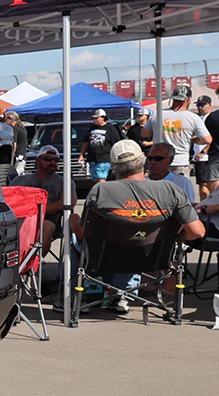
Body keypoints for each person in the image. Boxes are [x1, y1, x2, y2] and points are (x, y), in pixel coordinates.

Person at [74, 138, 204, 313]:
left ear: (113, 165)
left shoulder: (101, 191)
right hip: (152, 258)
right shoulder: (170, 190)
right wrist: (179, 237)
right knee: (137, 237)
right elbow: (197, 232)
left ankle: (74, 295)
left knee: (73, 225)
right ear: (143, 160)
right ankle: (123, 295)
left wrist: (73, 223)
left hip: (106, 257)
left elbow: (83, 234)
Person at [11, 144, 67, 248]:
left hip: (47, 219)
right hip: (20, 218)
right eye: (48, 159)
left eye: (56, 160)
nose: (53, 162)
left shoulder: (64, 182)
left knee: (47, 227)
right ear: (37, 161)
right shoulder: (20, 180)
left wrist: (38, 210)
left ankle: (34, 261)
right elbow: (9, 200)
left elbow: (68, 203)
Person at [153, 91, 210, 183]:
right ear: (188, 100)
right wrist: (191, 139)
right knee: (181, 193)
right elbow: (207, 139)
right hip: (180, 161)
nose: (199, 107)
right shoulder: (193, 117)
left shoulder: (157, 114)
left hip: (160, 160)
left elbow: (144, 133)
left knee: (159, 193)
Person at [84, 110, 116, 182]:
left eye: (97, 118)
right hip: (93, 158)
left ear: (103, 117)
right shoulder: (92, 128)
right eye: (94, 118)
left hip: (104, 158)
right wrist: (81, 155)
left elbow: (115, 143)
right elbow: (86, 142)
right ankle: (99, 191)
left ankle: (102, 192)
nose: (95, 120)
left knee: (101, 177)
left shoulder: (110, 128)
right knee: (95, 178)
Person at [1, 109, 29, 176]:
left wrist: (12, 154)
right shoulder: (22, 128)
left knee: (16, 174)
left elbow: (15, 143)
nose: (5, 122)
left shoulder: (15, 129)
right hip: (23, 154)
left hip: (18, 155)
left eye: (6, 120)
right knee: (21, 173)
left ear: (11, 120)